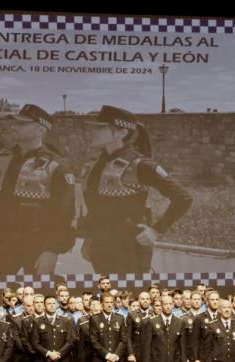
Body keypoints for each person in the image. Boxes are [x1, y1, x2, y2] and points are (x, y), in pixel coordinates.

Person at [0, 104, 76, 277]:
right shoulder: (0, 159)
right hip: (1, 239)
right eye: (15, 122)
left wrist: (53, 250)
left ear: (39, 130)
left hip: (38, 242)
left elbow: (65, 213)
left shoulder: (56, 165)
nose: (14, 126)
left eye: (22, 124)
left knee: (39, 299)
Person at [79, 105, 192, 273]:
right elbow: (95, 207)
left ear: (122, 132)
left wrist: (156, 230)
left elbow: (183, 198)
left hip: (130, 246)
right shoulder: (97, 165)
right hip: (100, 244)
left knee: (131, 296)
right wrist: (89, 238)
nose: (94, 132)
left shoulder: (141, 164)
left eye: (101, 128)